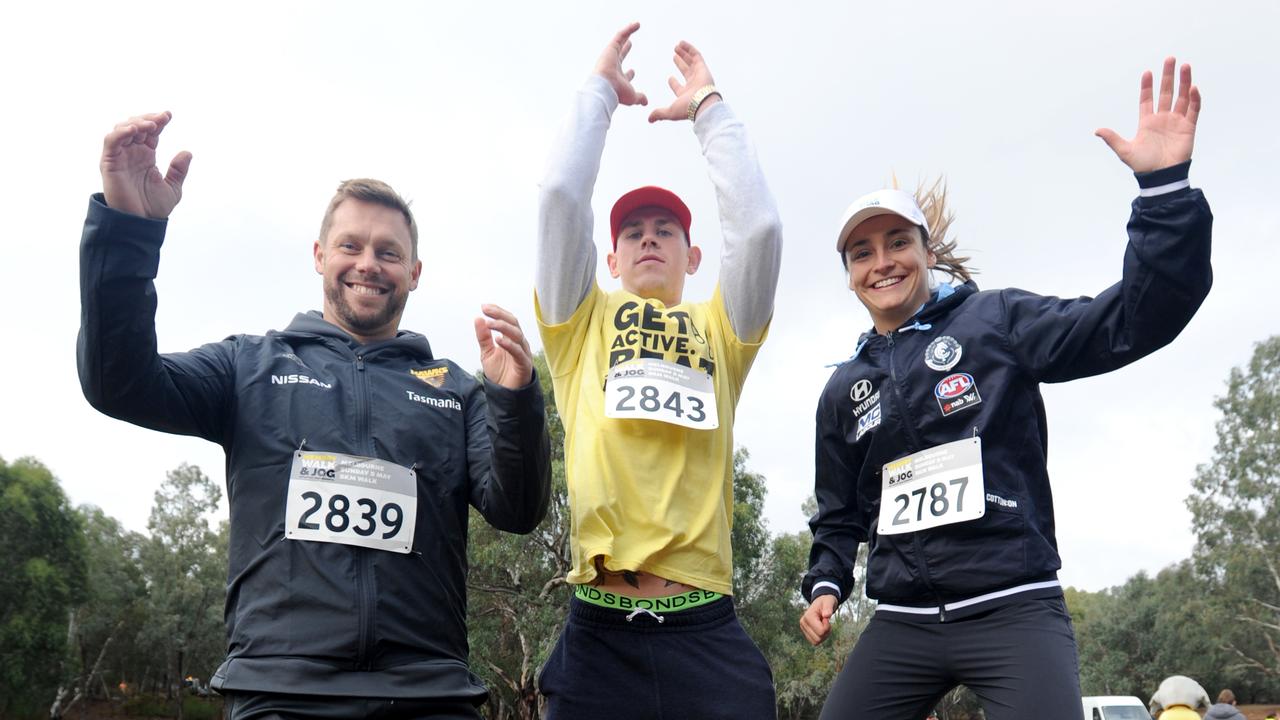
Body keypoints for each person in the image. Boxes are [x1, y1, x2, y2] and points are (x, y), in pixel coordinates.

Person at [78, 112, 552, 719]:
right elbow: (118, 383)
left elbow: (517, 510)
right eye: (351, 246)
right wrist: (127, 232)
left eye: (389, 252)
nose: (368, 264)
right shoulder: (249, 366)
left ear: (414, 272)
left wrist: (514, 398)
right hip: (279, 692)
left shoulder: (457, 391)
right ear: (320, 254)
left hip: (429, 695)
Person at [799, 57, 1211, 720]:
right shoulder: (845, 390)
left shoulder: (996, 322)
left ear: (927, 252)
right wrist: (825, 581)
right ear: (849, 274)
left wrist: (1163, 192)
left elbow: (1136, 320)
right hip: (902, 621)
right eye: (862, 252)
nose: (883, 263)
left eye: (897, 242)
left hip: (1012, 605)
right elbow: (840, 509)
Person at [533, 22, 782, 720]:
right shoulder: (579, 323)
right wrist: (599, 97)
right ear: (608, 261)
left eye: (665, 230)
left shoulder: (722, 328)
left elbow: (758, 228)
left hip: (706, 627)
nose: (648, 237)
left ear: (693, 258)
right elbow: (558, 196)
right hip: (598, 633)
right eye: (632, 232)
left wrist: (710, 108)